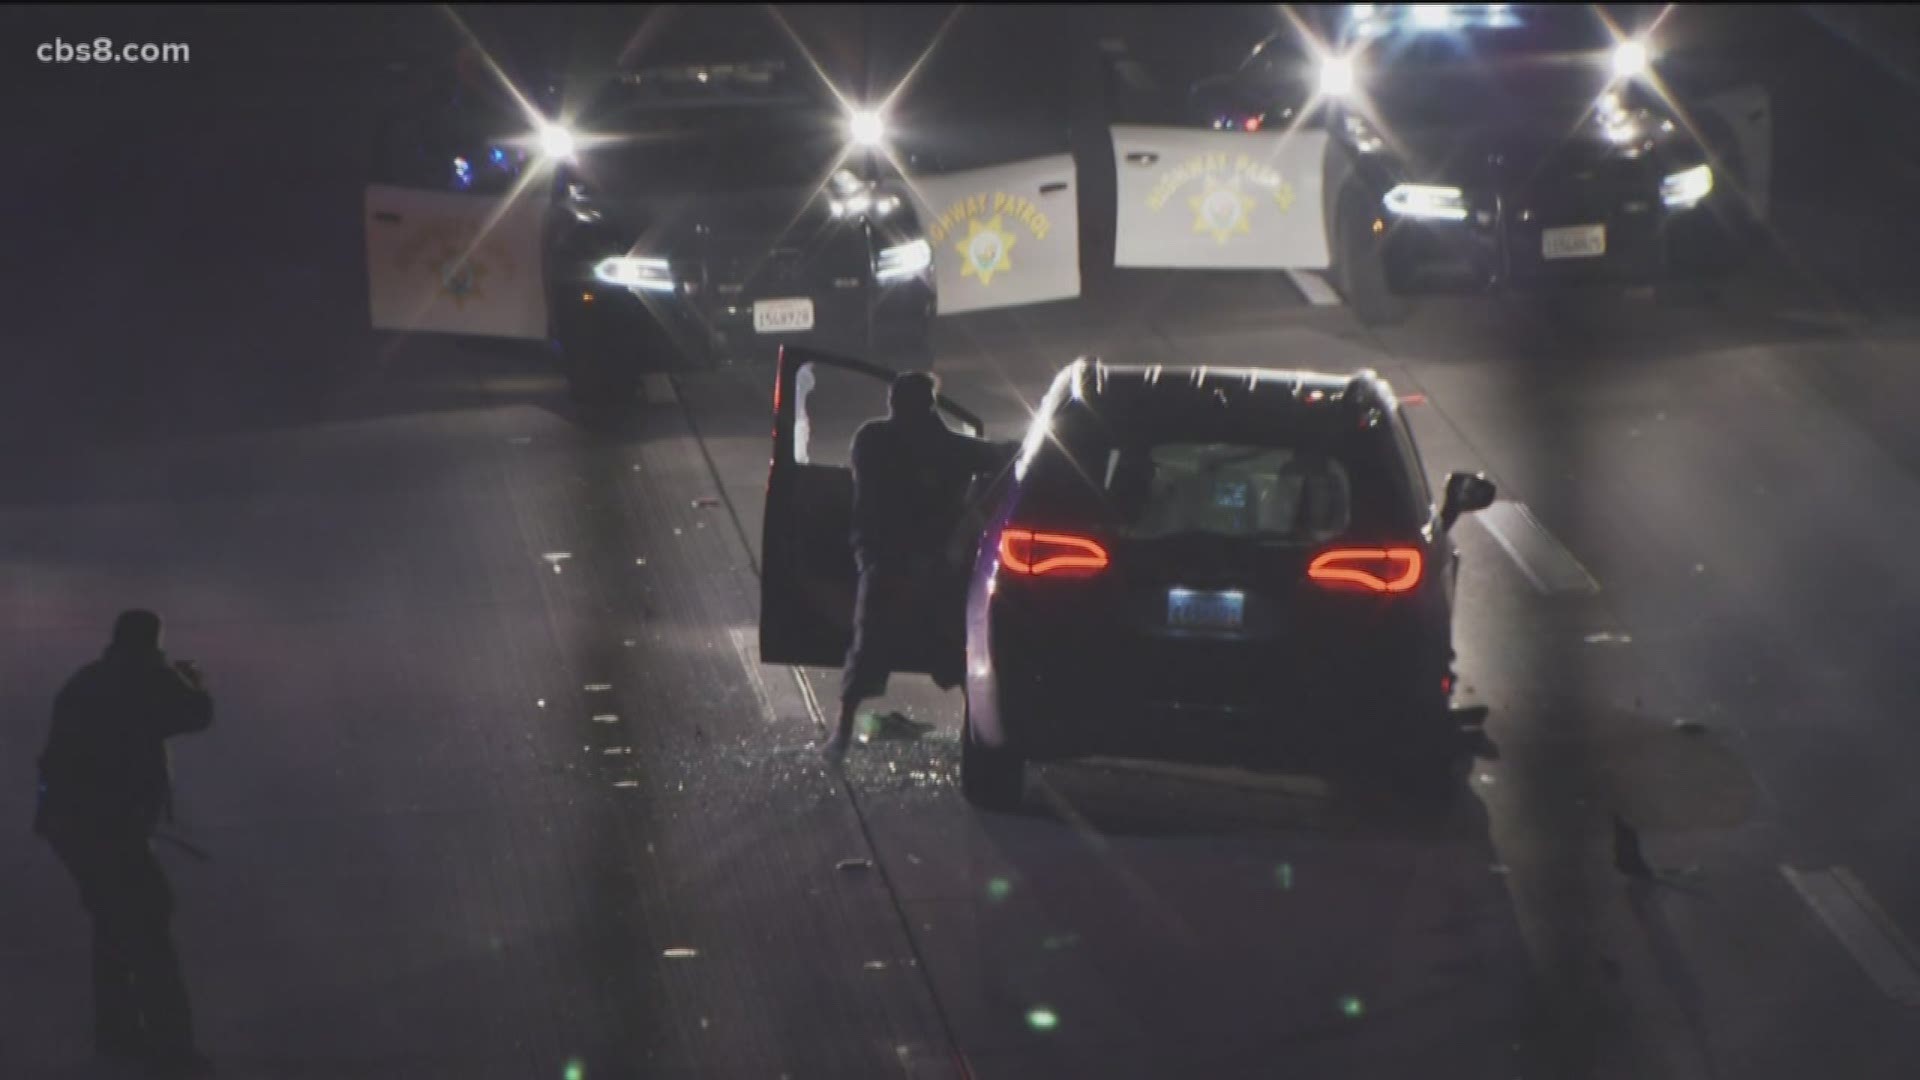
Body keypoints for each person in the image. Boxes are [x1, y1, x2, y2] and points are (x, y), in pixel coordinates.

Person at [34, 610, 215, 1079]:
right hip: (109, 828)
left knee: (114, 921)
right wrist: (190, 679)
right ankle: (171, 1051)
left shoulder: (88, 680)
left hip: (71, 826)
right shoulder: (145, 678)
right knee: (150, 921)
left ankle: (117, 1037)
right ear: (152, 642)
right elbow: (197, 714)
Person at [824, 370, 1018, 760]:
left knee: (874, 645)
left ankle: (842, 735)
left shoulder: (872, 440)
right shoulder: (943, 448)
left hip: (891, 561)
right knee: (952, 646)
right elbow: (1005, 456)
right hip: (923, 562)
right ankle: (978, 735)